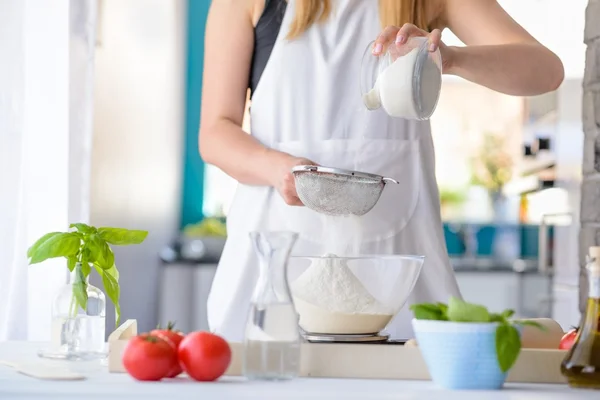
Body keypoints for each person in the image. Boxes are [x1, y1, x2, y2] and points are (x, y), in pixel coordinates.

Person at [200, 0, 564, 342]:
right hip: (270, 286)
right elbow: (216, 132)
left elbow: (545, 72)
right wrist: (275, 167)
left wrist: (447, 58)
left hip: (399, 294)